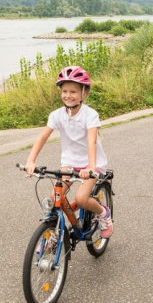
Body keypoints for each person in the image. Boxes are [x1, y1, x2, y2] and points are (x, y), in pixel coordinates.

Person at [24, 65, 113, 238]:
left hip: (91, 164)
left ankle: (103, 214)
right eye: (64, 91)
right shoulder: (57, 115)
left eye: (73, 91)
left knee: (81, 199)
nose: (68, 95)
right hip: (70, 162)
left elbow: (92, 141)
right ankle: (58, 231)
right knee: (55, 196)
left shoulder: (90, 115)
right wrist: (31, 161)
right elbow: (42, 137)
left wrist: (92, 168)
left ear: (84, 93)